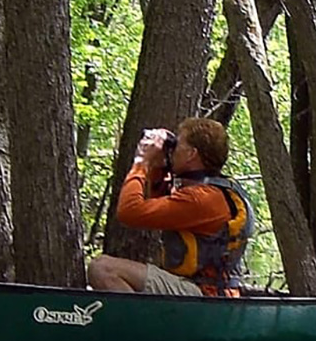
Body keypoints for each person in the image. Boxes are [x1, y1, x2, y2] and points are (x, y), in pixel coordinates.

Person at [86, 117, 254, 297]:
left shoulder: (201, 199)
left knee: (102, 268)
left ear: (191, 154)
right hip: (213, 292)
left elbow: (129, 212)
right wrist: (159, 169)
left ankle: (143, 325)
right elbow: (157, 211)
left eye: (178, 144)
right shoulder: (217, 193)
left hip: (204, 295)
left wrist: (141, 162)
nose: (172, 150)